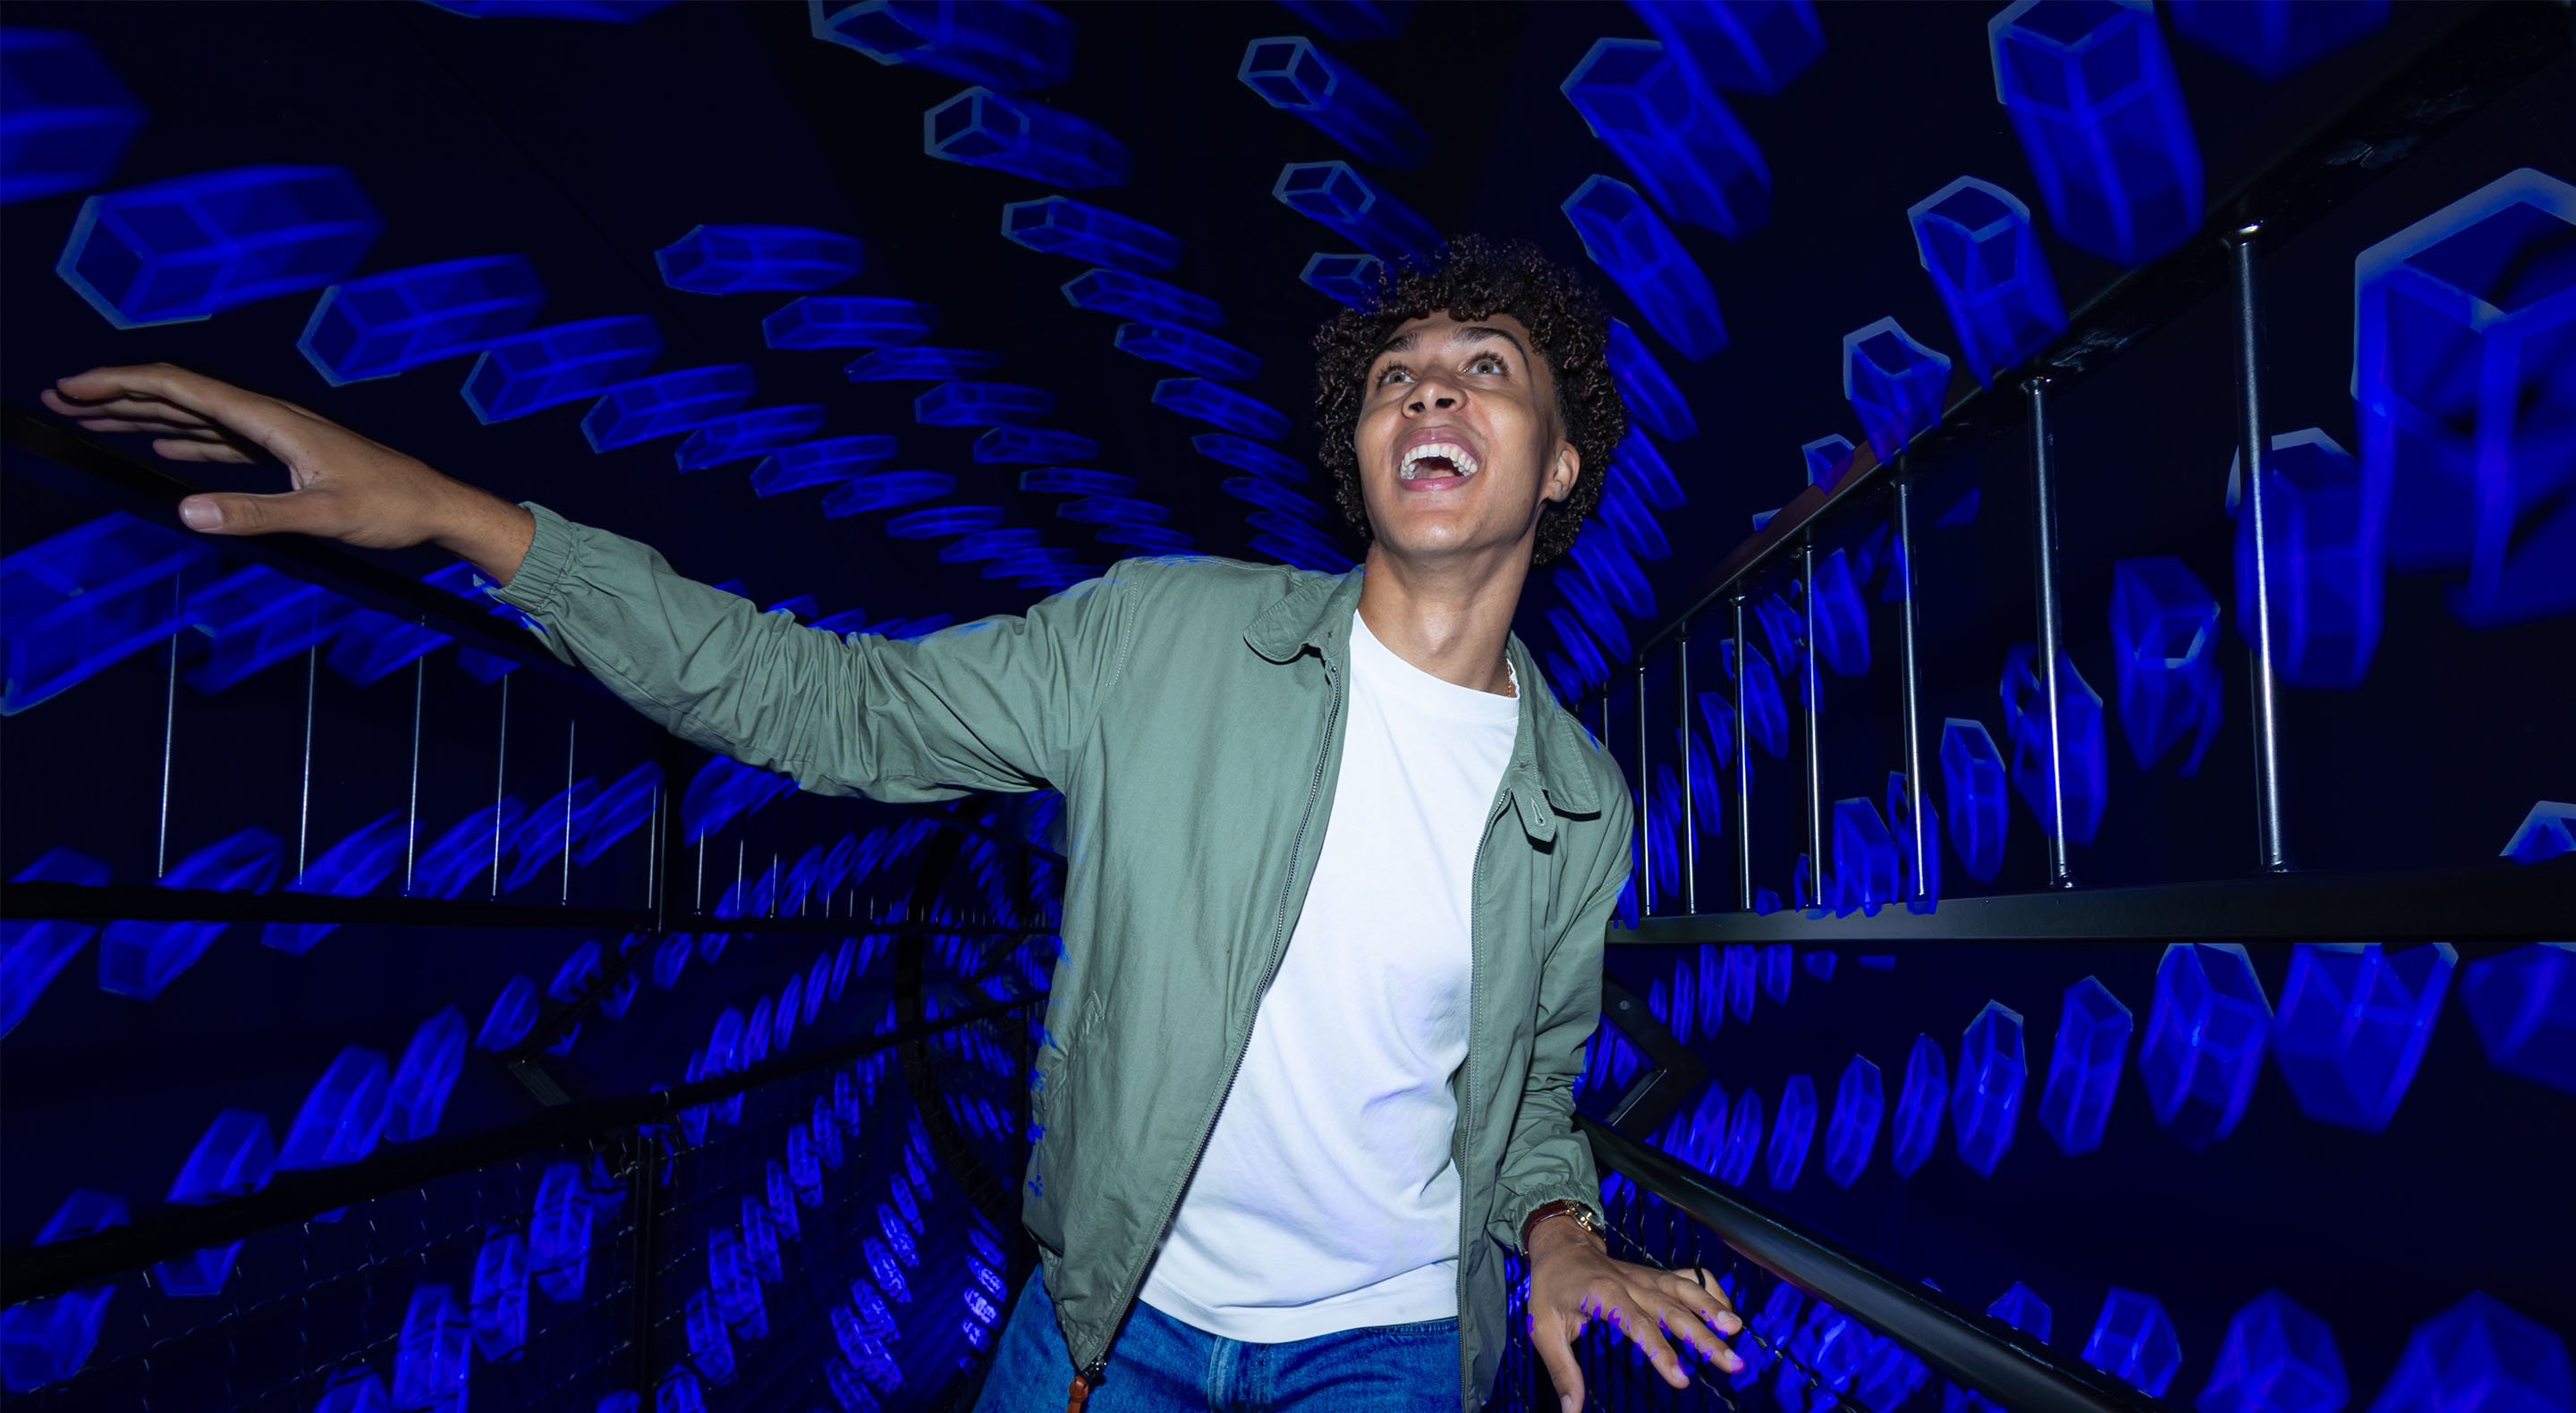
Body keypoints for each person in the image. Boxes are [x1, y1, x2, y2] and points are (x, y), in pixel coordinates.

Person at [45, 237, 1741, 1412]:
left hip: (1386, 1351)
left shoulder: (1578, 805)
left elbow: (1527, 1102)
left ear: (1559, 466)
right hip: (1109, 1325)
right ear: (1359, 447)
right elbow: (830, 706)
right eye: (1395, 378)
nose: (1429, 395)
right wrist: (466, 520)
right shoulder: (1163, 637)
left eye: (1484, 371)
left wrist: (1564, 1240)